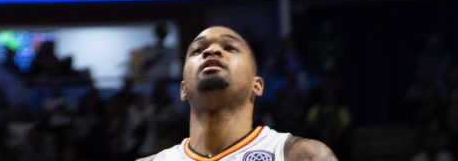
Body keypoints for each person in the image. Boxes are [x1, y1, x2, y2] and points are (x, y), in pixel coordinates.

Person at [138, 27, 340, 161]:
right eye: (198, 50)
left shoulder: (302, 155)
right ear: (183, 89)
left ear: (257, 86)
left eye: (229, 47)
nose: (212, 51)